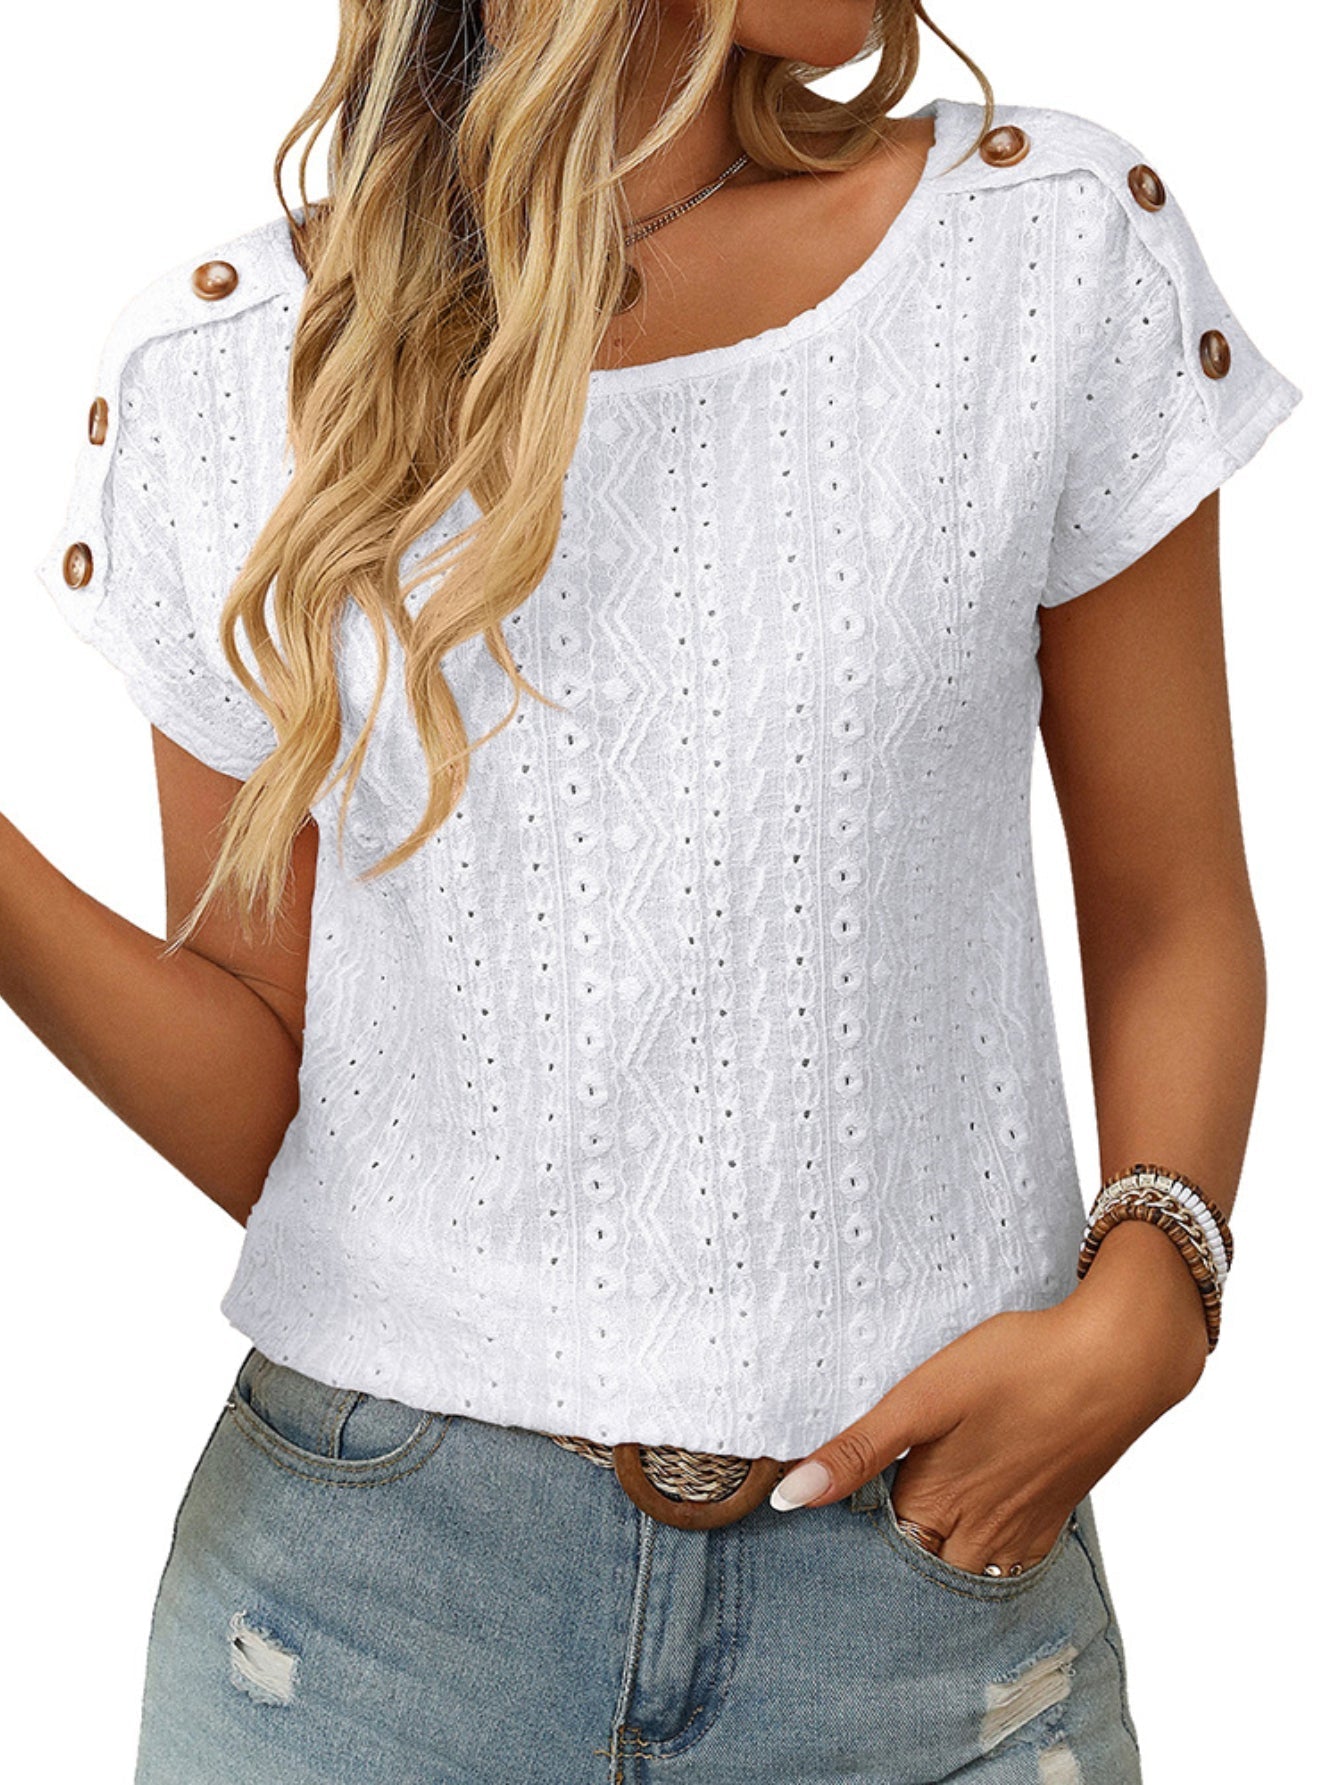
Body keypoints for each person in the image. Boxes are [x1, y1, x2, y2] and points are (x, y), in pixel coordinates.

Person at [1, 2, 1302, 1780]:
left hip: (926, 1611)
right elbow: (285, 1102)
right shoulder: (228, 370)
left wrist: (1159, 1287)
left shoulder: (1043, 254)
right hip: (364, 1634)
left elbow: (1169, 900)